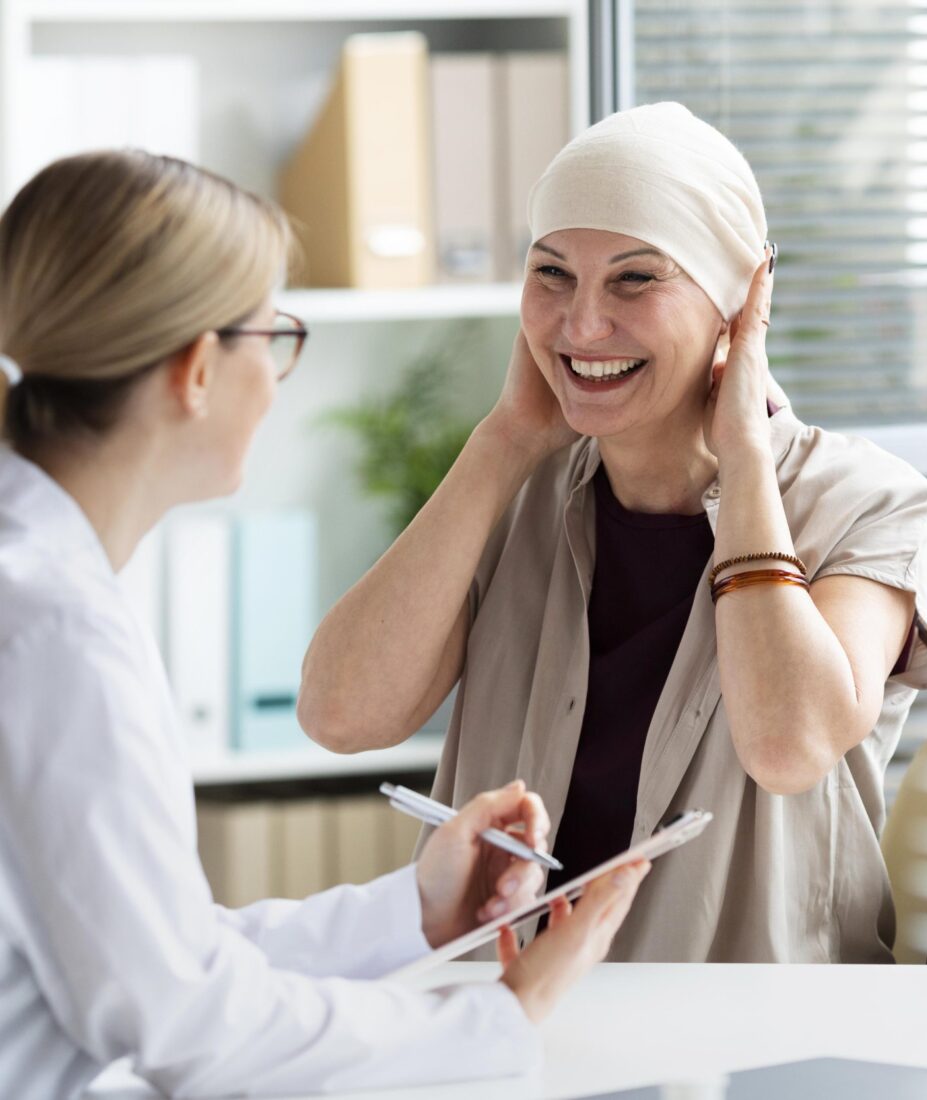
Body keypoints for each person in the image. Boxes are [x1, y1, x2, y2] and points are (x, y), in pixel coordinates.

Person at [0, 150, 652, 1100]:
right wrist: (500, 1015)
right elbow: (185, 1022)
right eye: (273, 336)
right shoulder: (54, 634)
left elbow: (155, 950)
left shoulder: (43, 590)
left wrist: (414, 912)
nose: (276, 377)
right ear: (194, 371)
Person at [298, 102, 927, 964]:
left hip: (748, 1046)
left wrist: (745, 460)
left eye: (636, 278)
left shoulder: (866, 503)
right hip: (509, 1022)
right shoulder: (516, 489)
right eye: (552, 274)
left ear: (737, 305)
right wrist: (502, 442)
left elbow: (789, 745)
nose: (581, 325)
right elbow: (341, 716)